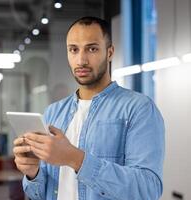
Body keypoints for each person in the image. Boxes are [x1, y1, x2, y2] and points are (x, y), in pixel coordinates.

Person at [13, 16, 165, 200]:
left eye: (92, 49)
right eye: (73, 49)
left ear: (109, 52)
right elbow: (40, 194)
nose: (81, 60)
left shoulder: (138, 108)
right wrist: (32, 173)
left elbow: (148, 189)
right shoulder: (53, 112)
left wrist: (75, 159)